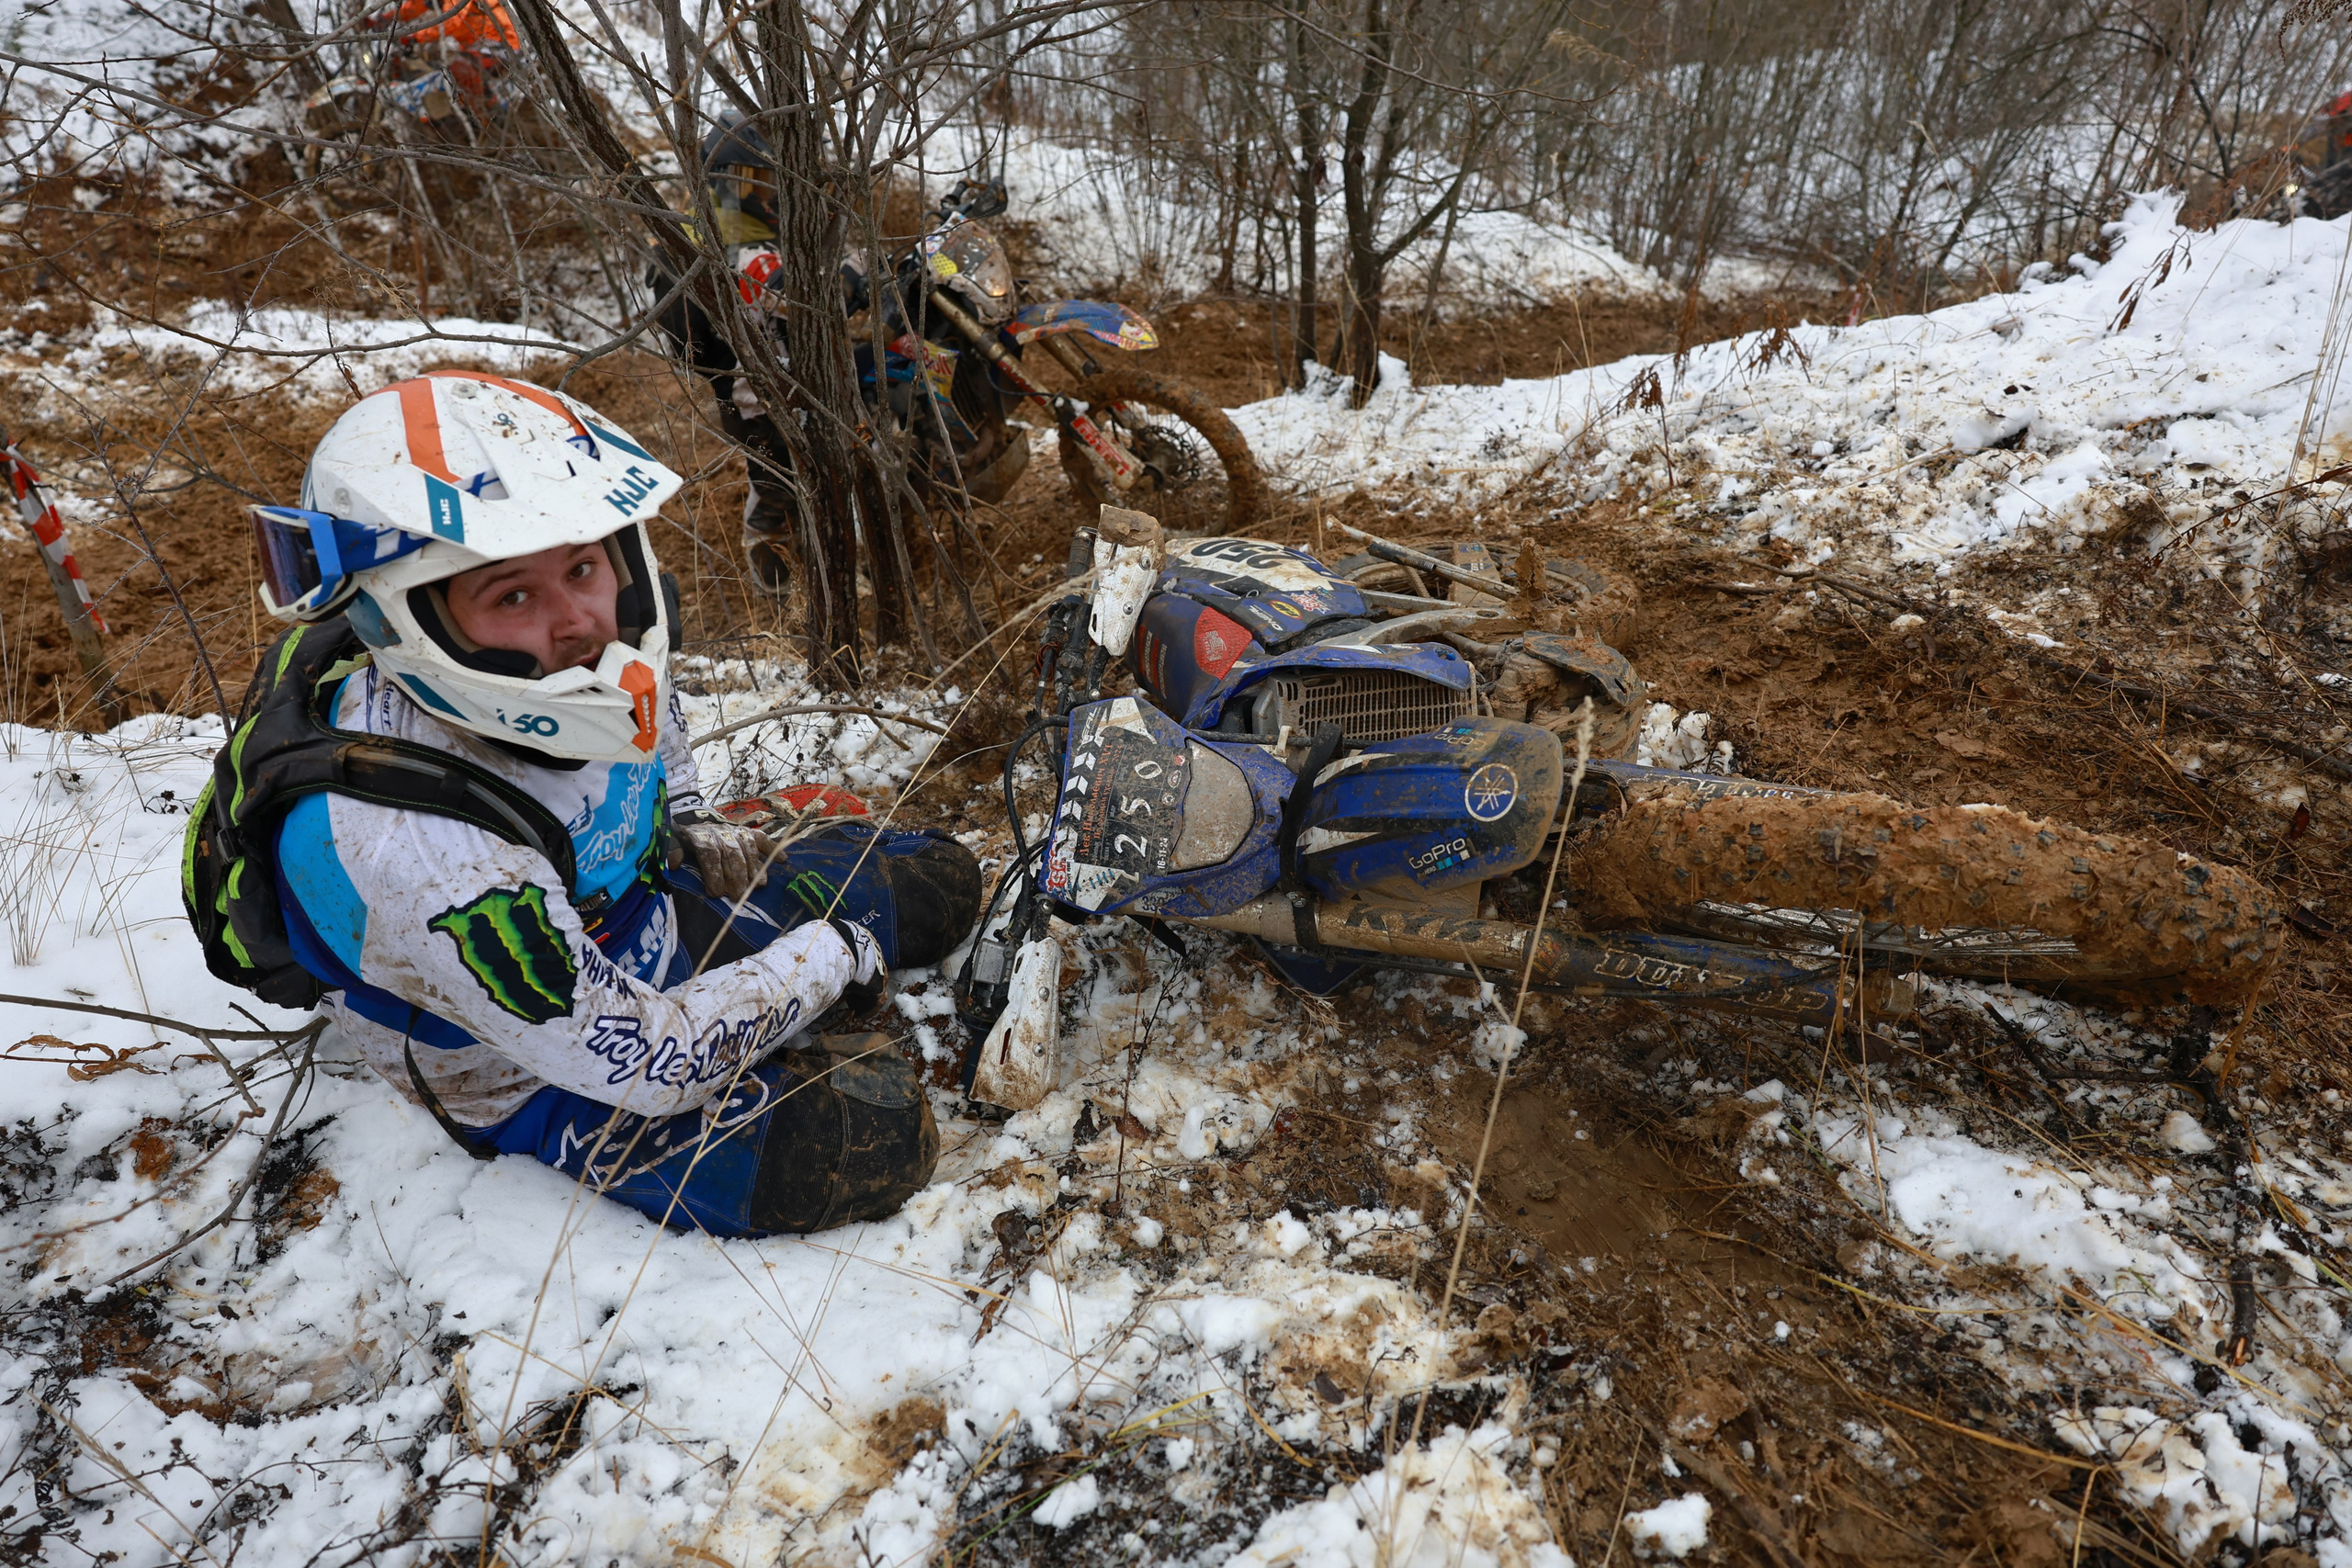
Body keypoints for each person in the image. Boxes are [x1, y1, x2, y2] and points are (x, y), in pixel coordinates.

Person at [185, 371, 979, 1236]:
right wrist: (832, 956)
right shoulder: (425, 853)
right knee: (868, 1139)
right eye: (512, 594)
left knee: (938, 882)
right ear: (407, 620)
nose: (579, 623)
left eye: (584, 566)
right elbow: (651, 1060)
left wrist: (694, 828)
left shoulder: (608, 638)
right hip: (527, 1073)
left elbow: (654, 736)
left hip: (638, 907)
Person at [650, 111, 871, 602]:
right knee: (780, 489)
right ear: (733, 181)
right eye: (759, 180)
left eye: (770, 179)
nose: (769, 190)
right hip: (759, 396)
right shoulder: (731, 241)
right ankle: (779, 589)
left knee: (805, 477)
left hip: (775, 384)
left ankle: (822, 568)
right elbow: (801, 301)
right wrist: (857, 273)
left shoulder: (726, 231)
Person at [356, 0, 524, 129]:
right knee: (438, 63)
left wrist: (415, 37)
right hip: (476, 46)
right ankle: (454, 115)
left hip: (501, 44)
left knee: (459, 65)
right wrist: (382, 21)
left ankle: (487, 115)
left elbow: (452, 20)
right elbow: (415, 6)